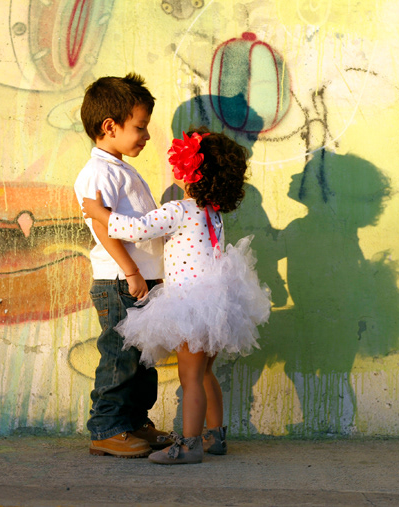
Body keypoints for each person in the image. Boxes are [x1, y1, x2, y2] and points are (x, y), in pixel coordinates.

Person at [82, 129, 271, 464]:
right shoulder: (212, 213)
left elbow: (137, 230)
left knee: (191, 378)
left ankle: (189, 446)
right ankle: (216, 437)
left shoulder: (179, 210)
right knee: (206, 374)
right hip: (215, 306)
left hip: (191, 307)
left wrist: (99, 213)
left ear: (188, 172)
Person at [74, 74, 171, 458]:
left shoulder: (119, 168)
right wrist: (131, 271)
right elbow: (103, 226)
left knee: (142, 359)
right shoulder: (98, 173)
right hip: (120, 282)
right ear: (110, 126)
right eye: (140, 127)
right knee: (121, 356)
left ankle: (133, 423)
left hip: (138, 280)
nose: (145, 136)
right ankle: (107, 429)